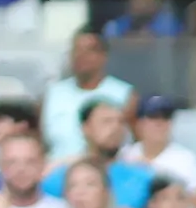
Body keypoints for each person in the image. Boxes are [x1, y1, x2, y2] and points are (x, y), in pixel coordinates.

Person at [41, 31, 134, 163]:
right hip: (58, 170)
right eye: (76, 50)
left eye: (89, 50)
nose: (81, 55)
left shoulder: (124, 94)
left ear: (103, 56)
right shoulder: (53, 94)